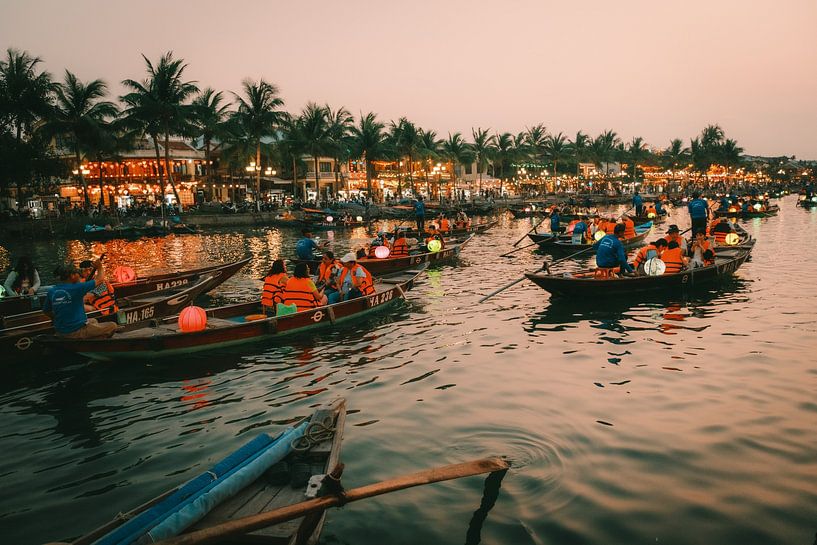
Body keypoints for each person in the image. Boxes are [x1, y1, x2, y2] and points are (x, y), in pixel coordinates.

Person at [42, 258, 118, 339]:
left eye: (89, 270)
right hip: (76, 331)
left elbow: (46, 311)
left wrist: (58, 318)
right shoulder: (78, 287)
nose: (80, 274)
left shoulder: (52, 290)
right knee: (113, 325)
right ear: (72, 276)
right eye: (78, 272)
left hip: (60, 330)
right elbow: (99, 279)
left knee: (93, 321)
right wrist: (99, 267)